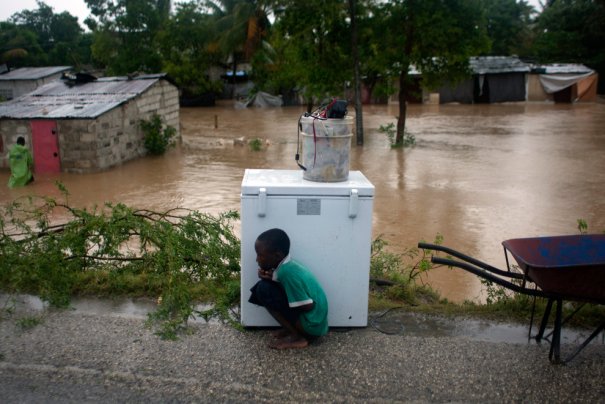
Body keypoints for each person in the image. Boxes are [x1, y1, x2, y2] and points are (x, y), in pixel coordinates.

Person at [249, 228, 328, 349]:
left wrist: (286, 297)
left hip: (312, 325)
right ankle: (290, 329)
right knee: (265, 287)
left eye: (260, 255)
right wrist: (272, 279)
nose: (257, 259)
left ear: (277, 255)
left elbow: (308, 306)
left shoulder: (287, 273)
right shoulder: (288, 265)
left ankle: (298, 337)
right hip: (316, 322)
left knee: (263, 290)